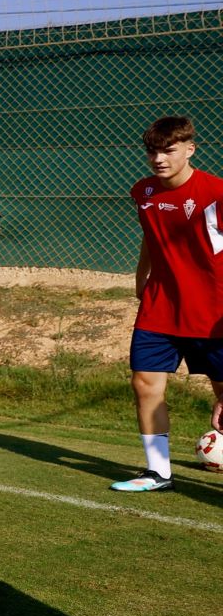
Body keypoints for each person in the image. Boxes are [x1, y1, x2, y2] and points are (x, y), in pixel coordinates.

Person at [114, 115, 223, 492]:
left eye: (168, 150)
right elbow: (151, 235)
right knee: (144, 383)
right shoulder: (142, 191)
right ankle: (158, 472)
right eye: (152, 151)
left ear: (190, 150)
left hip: (212, 310)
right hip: (160, 305)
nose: (159, 158)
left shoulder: (216, 193)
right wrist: (141, 274)